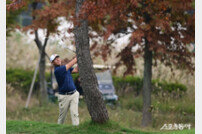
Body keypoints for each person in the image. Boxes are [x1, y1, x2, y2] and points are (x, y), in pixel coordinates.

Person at [50, 54, 79, 126]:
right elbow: (70, 65)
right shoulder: (58, 70)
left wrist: (80, 61)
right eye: (55, 59)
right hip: (64, 96)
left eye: (58, 58)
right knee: (62, 117)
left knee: (75, 114)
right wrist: (77, 57)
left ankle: (76, 130)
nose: (58, 59)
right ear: (53, 63)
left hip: (74, 94)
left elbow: (76, 70)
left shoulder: (64, 67)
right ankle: (58, 130)